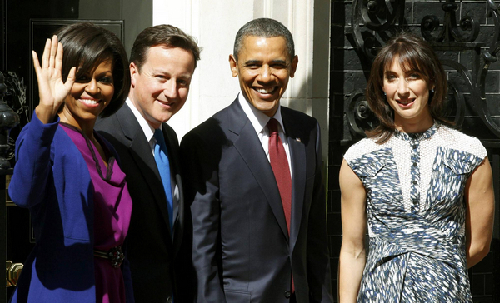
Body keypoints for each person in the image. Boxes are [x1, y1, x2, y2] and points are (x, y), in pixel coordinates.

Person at [180, 18, 333, 303]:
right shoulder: (206, 141)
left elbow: (315, 237)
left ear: (294, 66)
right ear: (233, 65)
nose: (265, 77)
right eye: (253, 65)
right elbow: (201, 254)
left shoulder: (308, 131)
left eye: (277, 64)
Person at [338, 32, 495, 302]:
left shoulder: (469, 153)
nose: (402, 90)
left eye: (413, 76)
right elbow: (352, 251)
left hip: (445, 293)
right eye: (392, 77)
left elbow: (479, 245)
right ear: (382, 86)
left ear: (431, 81)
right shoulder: (358, 158)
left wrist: (430, 269)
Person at [8, 22, 132, 302]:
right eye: (82, 76)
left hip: (111, 287)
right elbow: (22, 194)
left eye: (105, 79)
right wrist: (44, 112)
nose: (93, 88)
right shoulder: (45, 135)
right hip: (62, 290)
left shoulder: (108, 147)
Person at [95, 24, 200, 303]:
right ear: (133, 73)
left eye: (183, 81)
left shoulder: (170, 138)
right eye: (161, 77)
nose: (172, 91)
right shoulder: (105, 136)